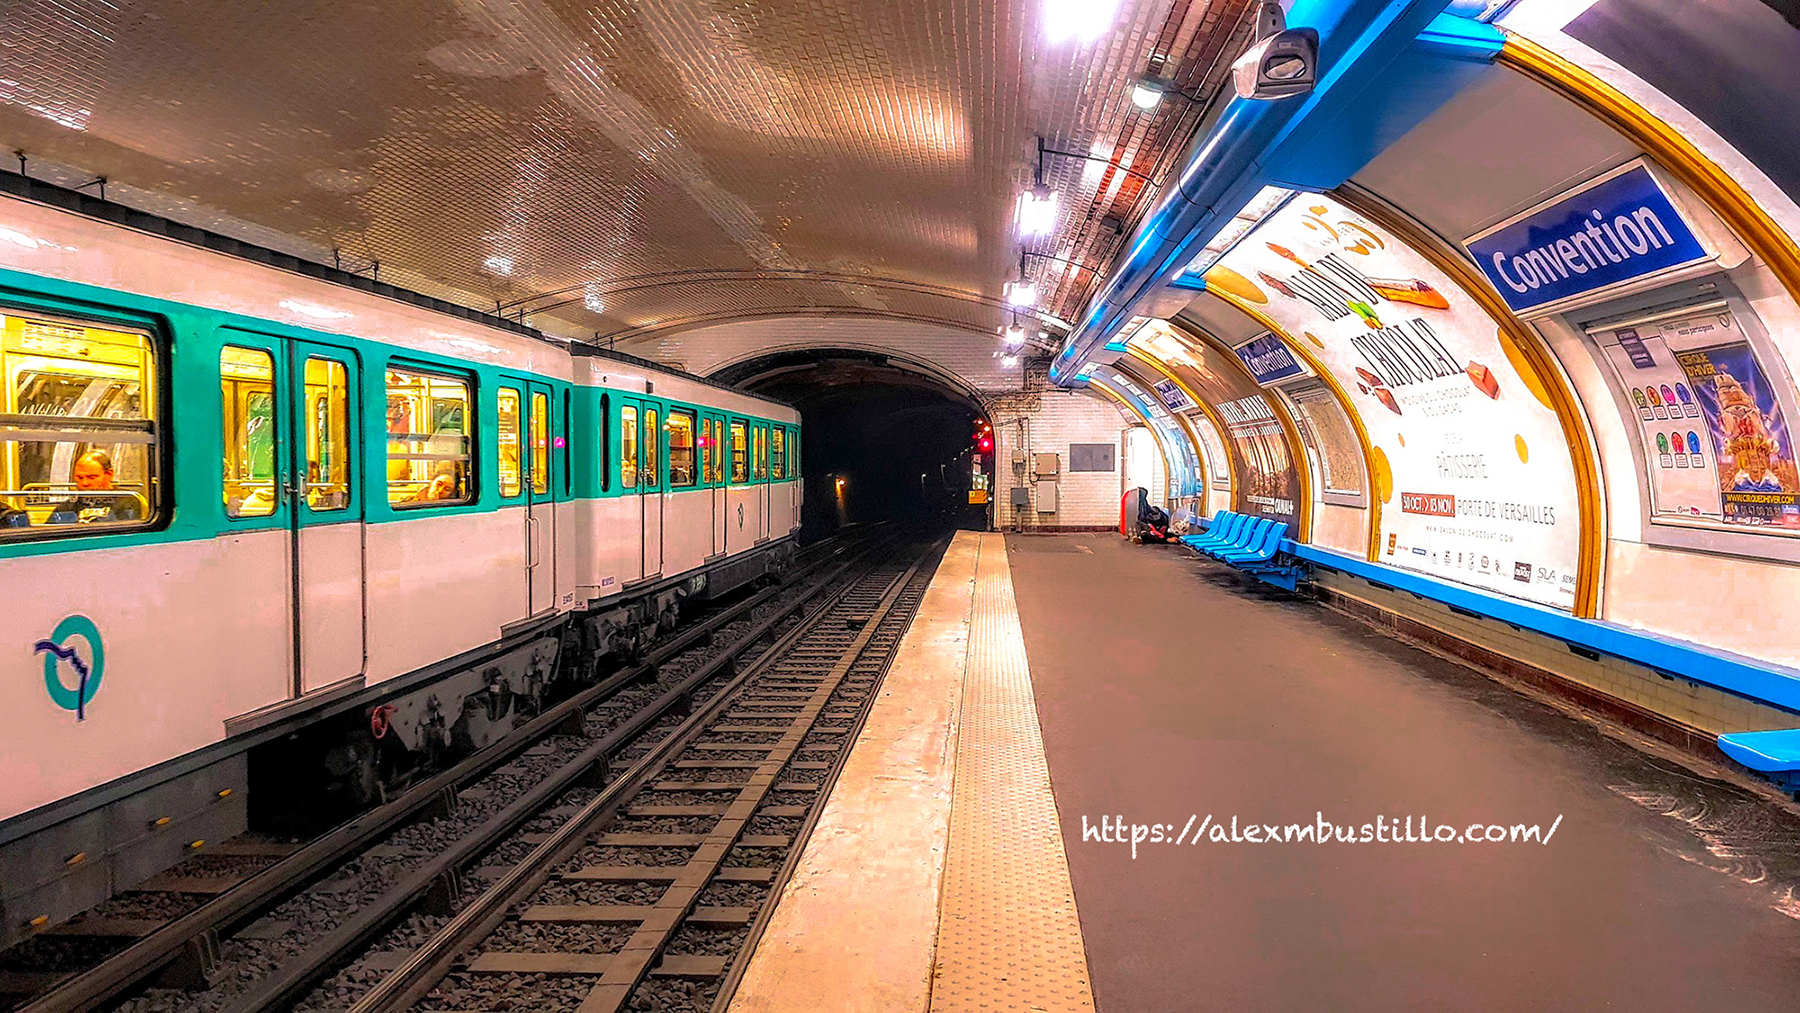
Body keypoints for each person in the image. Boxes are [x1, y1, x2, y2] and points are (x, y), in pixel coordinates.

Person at [52, 450, 142, 524]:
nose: (84, 483)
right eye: (80, 477)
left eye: (92, 477)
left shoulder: (127, 501)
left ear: (109, 474)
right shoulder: (69, 506)